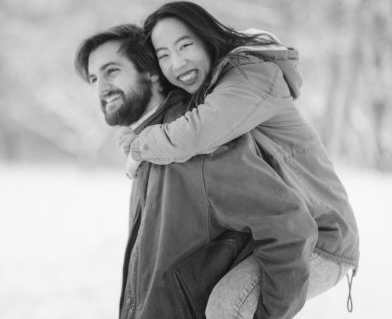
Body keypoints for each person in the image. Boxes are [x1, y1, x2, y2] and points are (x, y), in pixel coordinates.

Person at [116, 1, 359, 318]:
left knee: (227, 305)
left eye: (185, 45)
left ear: (207, 38)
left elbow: (193, 134)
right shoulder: (211, 87)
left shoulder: (250, 75)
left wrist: (138, 148)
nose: (176, 62)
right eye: (163, 55)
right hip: (281, 234)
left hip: (322, 239)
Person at [76, 24, 319, 319]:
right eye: (93, 79)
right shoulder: (150, 147)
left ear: (151, 72)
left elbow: (289, 228)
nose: (101, 88)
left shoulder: (195, 148)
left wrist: (265, 314)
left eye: (111, 71)